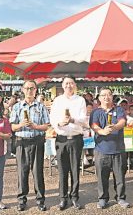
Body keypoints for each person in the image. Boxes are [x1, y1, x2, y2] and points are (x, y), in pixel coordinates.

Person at [10, 80, 50, 211]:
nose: (29, 91)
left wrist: (35, 126)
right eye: (27, 88)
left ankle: (40, 199)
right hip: (21, 142)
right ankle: (22, 199)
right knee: (22, 172)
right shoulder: (17, 107)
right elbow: (12, 127)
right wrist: (21, 124)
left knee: (38, 172)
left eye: (32, 88)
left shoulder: (41, 106)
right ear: (22, 90)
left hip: (37, 141)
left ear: (36, 90)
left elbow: (46, 126)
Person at [50, 75, 87, 210]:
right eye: (66, 83)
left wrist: (72, 120)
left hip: (76, 138)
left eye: (71, 83)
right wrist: (59, 123)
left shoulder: (80, 100)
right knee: (62, 170)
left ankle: (75, 198)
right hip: (62, 139)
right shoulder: (57, 100)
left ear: (75, 85)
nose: (68, 86)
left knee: (75, 170)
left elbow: (84, 120)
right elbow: (52, 118)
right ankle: (63, 198)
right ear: (62, 85)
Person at [90, 87, 129, 209]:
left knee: (120, 177)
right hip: (101, 150)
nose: (106, 97)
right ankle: (103, 198)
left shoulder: (119, 110)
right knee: (102, 177)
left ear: (112, 97)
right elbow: (94, 126)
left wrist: (115, 127)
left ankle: (121, 198)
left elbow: (122, 122)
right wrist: (102, 131)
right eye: (103, 95)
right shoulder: (95, 112)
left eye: (109, 95)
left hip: (118, 149)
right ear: (99, 98)